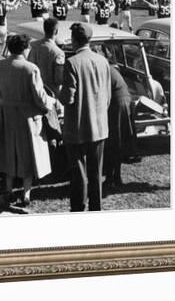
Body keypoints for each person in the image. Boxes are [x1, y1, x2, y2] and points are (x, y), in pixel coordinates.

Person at [0, 34, 56, 208]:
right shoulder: (31, 68)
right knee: (28, 154)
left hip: (6, 114)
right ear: (25, 48)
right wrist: (52, 102)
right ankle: (26, 193)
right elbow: (40, 97)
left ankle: (9, 189)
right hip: (26, 116)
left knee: (9, 153)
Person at [59, 22, 111, 211]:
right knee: (96, 172)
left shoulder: (72, 62)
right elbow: (107, 95)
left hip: (78, 127)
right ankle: (96, 207)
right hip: (99, 126)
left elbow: (68, 98)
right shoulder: (102, 60)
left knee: (79, 172)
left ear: (74, 40)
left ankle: (79, 208)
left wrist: (59, 92)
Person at [104, 63, 137, 188]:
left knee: (112, 142)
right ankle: (114, 177)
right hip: (123, 102)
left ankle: (112, 178)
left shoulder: (103, 68)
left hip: (117, 103)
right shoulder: (109, 68)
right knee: (116, 141)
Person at [28, 18, 65, 96]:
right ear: (56, 31)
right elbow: (59, 79)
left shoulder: (34, 46)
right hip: (52, 94)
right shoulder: (58, 53)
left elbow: (29, 68)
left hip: (34, 92)